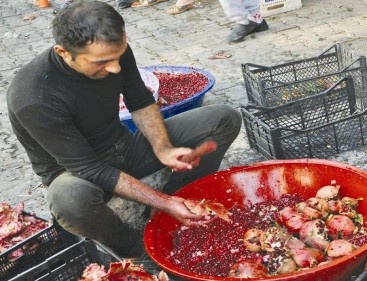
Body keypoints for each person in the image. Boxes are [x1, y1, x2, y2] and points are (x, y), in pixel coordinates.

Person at [7, 0, 241, 258]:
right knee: (69, 200)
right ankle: (135, 251)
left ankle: (178, 201)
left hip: (124, 148)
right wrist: (164, 203)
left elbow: (140, 101)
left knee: (224, 118)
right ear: (63, 52)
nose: (115, 68)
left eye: (118, 57)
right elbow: (91, 169)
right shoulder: (33, 95)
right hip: (78, 174)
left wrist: (163, 149)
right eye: (102, 62)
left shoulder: (113, 50)